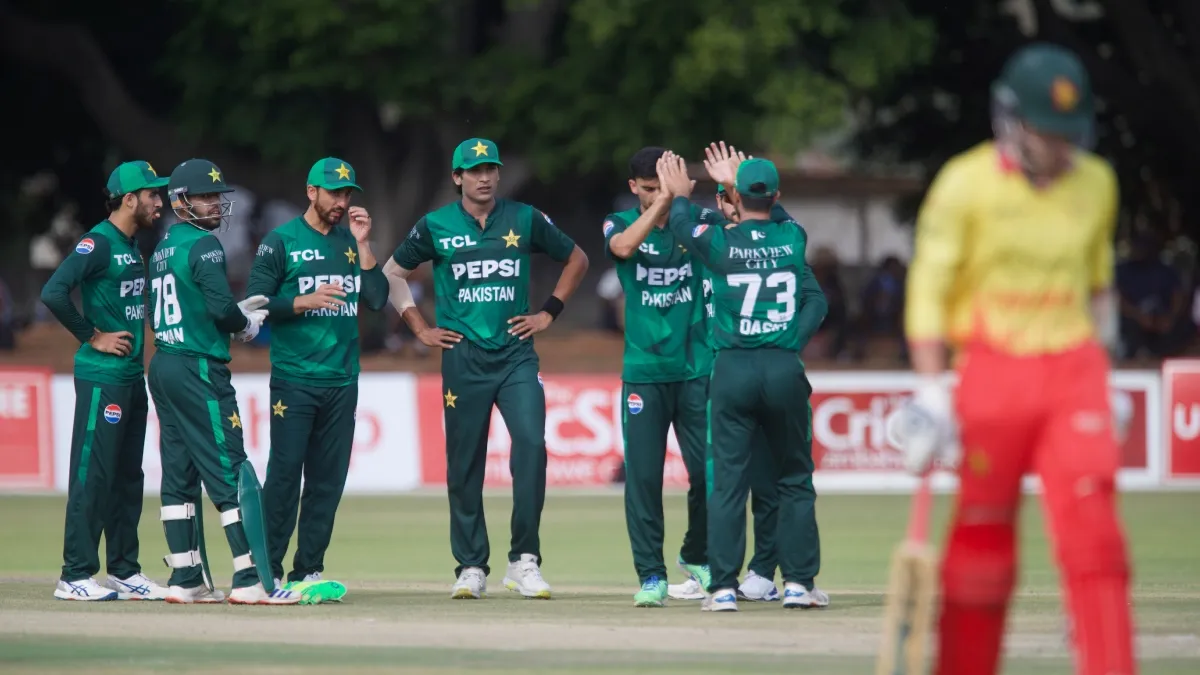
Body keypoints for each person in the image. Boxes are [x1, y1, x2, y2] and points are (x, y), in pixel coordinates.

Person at [897, 43, 1134, 675]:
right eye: (1045, 133)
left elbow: (1099, 287)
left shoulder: (1097, 183)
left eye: (1068, 134)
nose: (1059, 149)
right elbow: (929, 289)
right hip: (992, 370)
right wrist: (932, 389)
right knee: (982, 543)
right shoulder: (965, 184)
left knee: (1097, 539)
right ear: (1011, 120)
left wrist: (1103, 372)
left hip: (1073, 368)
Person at [383, 138, 589, 600]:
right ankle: (471, 566)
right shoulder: (435, 225)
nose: (484, 177)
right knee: (465, 463)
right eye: (474, 170)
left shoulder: (524, 218)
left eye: (490, 168)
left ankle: (524, 560)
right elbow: (393, 273)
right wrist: (419, 327)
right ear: (457, 177)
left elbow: (577, 258)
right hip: (463, 358)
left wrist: (548, 313)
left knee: (532, 446)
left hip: (517, 355)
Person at [659, 151, 828, 611]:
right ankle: (798, 584)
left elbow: (681, 225)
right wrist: (739, 181)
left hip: (732, 367)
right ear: (776, 195)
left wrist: (680, 194)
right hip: (782, 365)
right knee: (794, 477)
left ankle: (722, 589)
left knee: (729, 482)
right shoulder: (793, 236)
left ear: (735, 198)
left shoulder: (721, 242)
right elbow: (782, 218)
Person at [148, 158, 299, 605]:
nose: (215, 203)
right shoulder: (204, 245)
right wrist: (244, 323)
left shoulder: (162, 248)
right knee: (232, 469)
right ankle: (251, 578)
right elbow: (219, 309)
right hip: (198, 367)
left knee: (179, 473)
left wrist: (232, 314)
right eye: (205, 196)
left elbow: (182, 309)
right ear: (181, 202)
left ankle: (186, 578)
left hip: (165, 363)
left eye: (217, 196)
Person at [245, 157, 389, 604]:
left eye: (347, 194)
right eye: (334, 194)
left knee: (328, 481)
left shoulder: (350, 242)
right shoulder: (281, 241)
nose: (342, 202)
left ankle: (308, 569)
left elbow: (377, 299)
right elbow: (252, 304)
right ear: (312, 192)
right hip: (294, 379)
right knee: (285, 477)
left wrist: (364, 246)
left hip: (342, 380)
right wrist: (301, 302)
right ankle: (266, 573)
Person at [41, 161, 170, 601]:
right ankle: (74, 574)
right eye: (152, 194)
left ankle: (124, 570)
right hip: (102, 378)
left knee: (127, 478)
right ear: (129, 199)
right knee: (93, 475)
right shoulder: (97, 242)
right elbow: (53, 292)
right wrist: (92, 336)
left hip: (131, 376)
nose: (159, 201)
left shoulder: (132, 246)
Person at [602, 146, 712, 606]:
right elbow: (623, 248)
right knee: (644, 480)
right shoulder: (618, 222)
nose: (657, 195)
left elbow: (752, 224)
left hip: (697, 367)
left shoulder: (700, 219)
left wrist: (719, 187)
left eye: (663, 187)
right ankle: (651, 575)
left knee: (709, 473)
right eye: (649, 189)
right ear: (634, 188)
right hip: (645, 372)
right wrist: (667, 200)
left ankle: (697, 554)